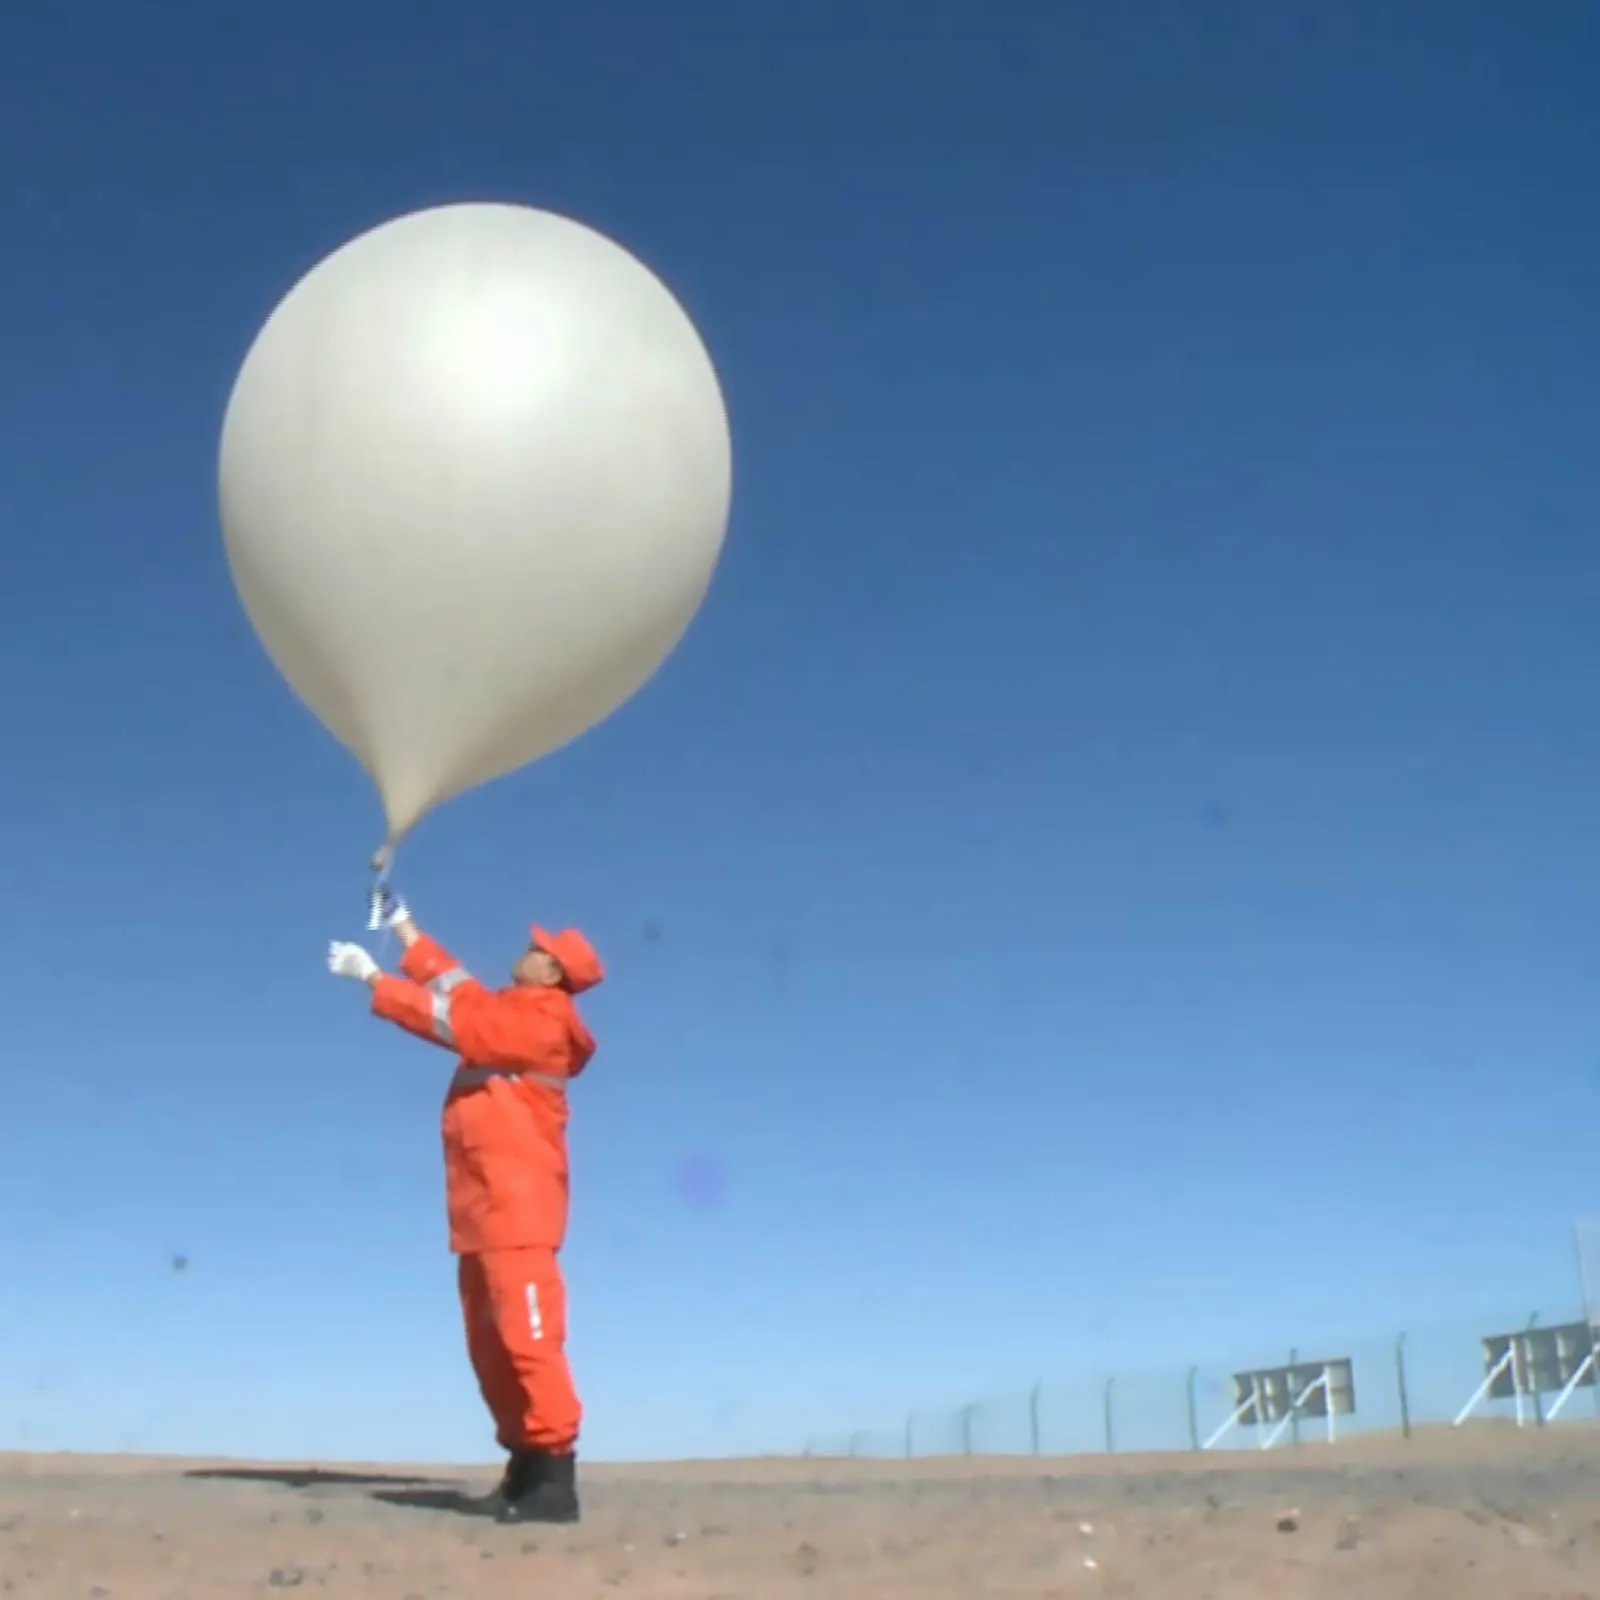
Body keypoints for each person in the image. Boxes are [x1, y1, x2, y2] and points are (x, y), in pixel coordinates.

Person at [326, 895, 605, 1524]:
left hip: (519, 1207)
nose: (529, 947)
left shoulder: (545, 1022)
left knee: (527, 1338)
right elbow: (457, 986)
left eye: (541, 948)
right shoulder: (513, 1007)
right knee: (488, 1342)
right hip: (480, 1209)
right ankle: (525, 1466)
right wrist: (404, 927)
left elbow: (456, 1020)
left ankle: (555, 1480)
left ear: (553, 973)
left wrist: (372, 979)